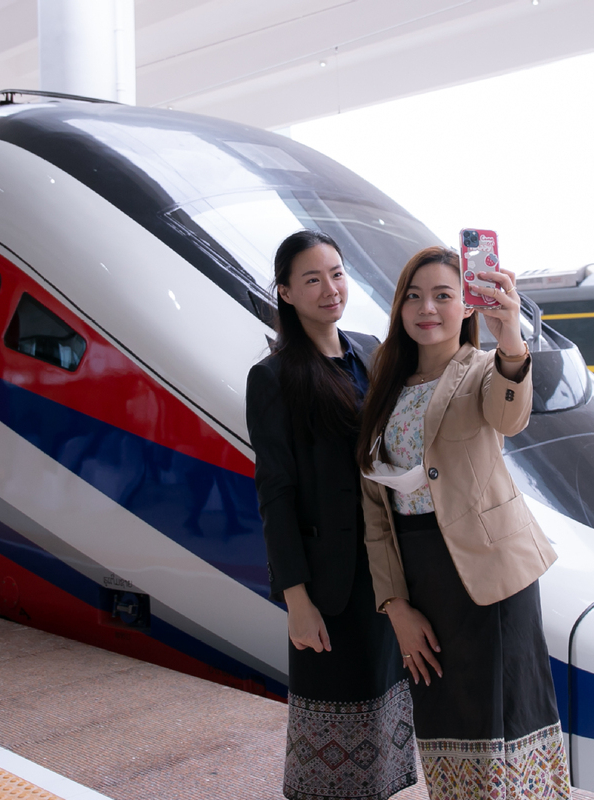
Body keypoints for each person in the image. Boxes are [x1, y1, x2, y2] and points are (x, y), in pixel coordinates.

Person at [356, 246, 570, 799]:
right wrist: (395, 605)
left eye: (444, 296)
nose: (427, 307)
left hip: (490, 578)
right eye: (414, 296)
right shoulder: (385, 385)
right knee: (444, 719)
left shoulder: (482, 370)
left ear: (467, 307)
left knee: (503, 721)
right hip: (423, 579)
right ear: (400, 308)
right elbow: (375, 514)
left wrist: (512, 341)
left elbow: (509, 415)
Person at [246, 230, 418, 800]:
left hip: (388, 572)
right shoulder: (273, 377)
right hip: (329, 585)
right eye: (312, 279)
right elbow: (276, 490)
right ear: (287, 293)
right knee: (331, 730)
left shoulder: (372, 350)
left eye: (337, 274)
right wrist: (296, 599)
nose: (330, 289)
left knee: (384, 718)